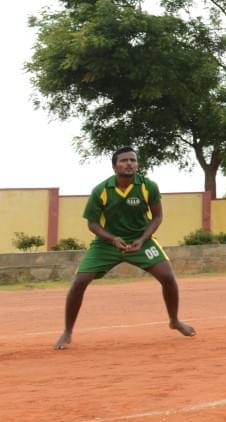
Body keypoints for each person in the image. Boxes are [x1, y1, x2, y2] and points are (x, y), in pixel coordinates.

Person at [55, 146, 195, 349]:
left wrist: (142, 238)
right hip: (107, 244)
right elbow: (92, 224)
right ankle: (67, 332)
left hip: (142, 241)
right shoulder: (101, 190)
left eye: (133, 160)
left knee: (168, 277)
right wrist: (112, 239)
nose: (129, 163)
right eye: (124, 160)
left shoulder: (148, 187)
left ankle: (174, 320)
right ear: (114, 166)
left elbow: (157, 217)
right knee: (79, 282)